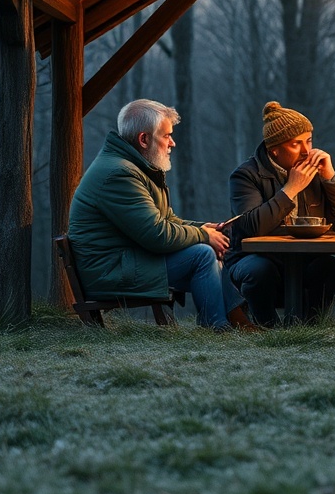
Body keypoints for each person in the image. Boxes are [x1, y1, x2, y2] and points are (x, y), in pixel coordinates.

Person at [68, 99, 250, 331]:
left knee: (207, 249)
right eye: (166, 136)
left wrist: (206, 228)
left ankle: (233, 320)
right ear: (144, 139)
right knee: (202, 254)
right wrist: (203, 236)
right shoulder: (119, 175)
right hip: (109, 271)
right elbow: (157, 234)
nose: (172, 143)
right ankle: (218, 326)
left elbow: (166, 220)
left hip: (126, 260)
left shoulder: (134, 167)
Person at [226, 101, 335, 327]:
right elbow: (250, 227)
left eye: (309, 141)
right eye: (296, 144)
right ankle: (269, 330)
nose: (306, 151)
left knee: (332, 268)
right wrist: (291, 189)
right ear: (274, 149)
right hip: (254, 260)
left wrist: (331, 177)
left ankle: (307, 330)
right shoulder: (246, 176)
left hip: (303, 258)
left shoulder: (315, 172)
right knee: (260, 271)